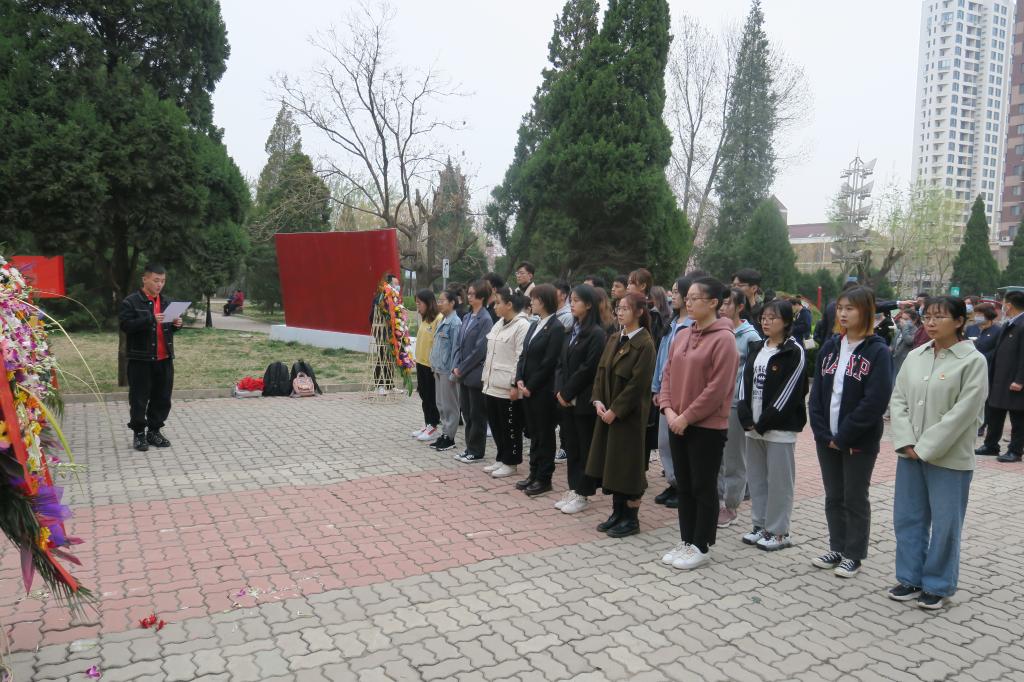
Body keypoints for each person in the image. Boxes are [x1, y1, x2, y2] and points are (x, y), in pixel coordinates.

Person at [889, 296, 987, 609]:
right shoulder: (915, 356)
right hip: (909, 453)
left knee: (945, 525)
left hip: (949, 459)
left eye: (939, 317)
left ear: (959, 321)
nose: (930, 322)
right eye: (927, 316)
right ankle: (909, 578)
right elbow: (898, 400)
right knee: (908, 518)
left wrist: (926, 447)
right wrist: (906, 441)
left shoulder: (972, 361)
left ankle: (938, 584)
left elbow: (965, 412)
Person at [808, 286, 894, 578]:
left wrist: (843, 436)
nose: (843, 314)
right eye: (840, 308)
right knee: (834, 496)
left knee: (854, 497)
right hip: (827, 438)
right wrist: (823, 433)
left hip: (858, 440)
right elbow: (817, 394)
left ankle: (854, 554)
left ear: (866, 311)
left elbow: (875, 401)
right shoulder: (831, 346)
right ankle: (837, 546)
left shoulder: (878, 351)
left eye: (850, 308)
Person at [658, 277, 739, 570]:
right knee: (684, 485)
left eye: (695, 298)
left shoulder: (724, 339)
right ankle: (686, 539)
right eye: (687, 298)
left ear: (714, 303)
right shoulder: (682, 335)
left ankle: (701, 545)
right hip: (676, 421)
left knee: (703, 486)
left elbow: (717, 389)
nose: (688, 302)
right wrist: (668, 409)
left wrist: (686, 416)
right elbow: (667, 374)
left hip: (706, 427)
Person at [736, 299, 807, 552]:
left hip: (779, 429)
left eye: (772, 318)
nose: (766, 322)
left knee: (779, 482)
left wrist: (763, 422)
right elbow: (745, 383)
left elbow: (790, 392)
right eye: (763, 317)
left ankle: (778, 531)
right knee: (757, 479)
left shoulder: (794, 351)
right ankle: (760, 524)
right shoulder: (757, 347)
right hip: (753, 427)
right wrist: (746, 417)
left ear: (786, 321)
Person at [588, 292, 657, 537]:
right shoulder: (615, 337)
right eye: (618, 308)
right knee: (613, 464)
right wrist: (598, 400)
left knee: (628, 467)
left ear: (639, 312)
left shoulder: (645, 344)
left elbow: (638, 385)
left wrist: (616, 410)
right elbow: (600, 372)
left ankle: (631, 518)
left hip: (629, 417)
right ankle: (617, 513)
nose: (620, 312)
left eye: (626, 308)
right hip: (606, 413)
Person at [119, 263, 184, 452]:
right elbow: (126, 326)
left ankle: (154, 432)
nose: (159, 285)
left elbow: (167, 328)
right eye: (156, 280)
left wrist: (176, 324)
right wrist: (150, 319)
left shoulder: (166, 302)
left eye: (163, 281)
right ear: (145, 279)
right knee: (139, 399)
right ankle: (139, 433)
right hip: (141, 359)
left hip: (164, 358)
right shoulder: (131, 302)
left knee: (162, 398)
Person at [553, 284, 607, 514]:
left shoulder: (597, 334)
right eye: (571, 300)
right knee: (572, 447)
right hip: (566, 400)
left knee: (585, 449)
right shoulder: (571, 330)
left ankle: (583, 493)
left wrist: (567, 392)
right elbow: (560, 364)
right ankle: (574, 488)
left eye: (576, 300)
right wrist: (559, 391)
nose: (572, 304)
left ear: (589, 305)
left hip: (583, 400)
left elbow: (589, 368)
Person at [514, 284, 566, 495]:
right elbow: (524, 354)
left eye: (534, 299)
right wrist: (519, 378)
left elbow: (549, 362)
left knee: (544, 434)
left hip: (542, 391)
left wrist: (531, 385)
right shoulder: (535, 324)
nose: (531, 302)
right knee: (534, 434)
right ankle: (533, 473)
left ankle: (544, 478)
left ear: (543, 301)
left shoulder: (556, 327)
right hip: (527, 388)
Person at [716, 288, 761, 528]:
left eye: (727, 304)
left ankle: (731, 505)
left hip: (735, 404)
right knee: (717, 456)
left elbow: (753, 375)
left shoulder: (750, 337)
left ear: (740, 307)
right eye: (720, 304)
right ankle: (717, 500)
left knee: (734, 458)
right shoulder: (717, 331)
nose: (722, 308)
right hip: (714, 403)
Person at [651, 275, 696, 510]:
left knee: (680, 442)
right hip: (665, 392)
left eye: (677, 291)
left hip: (682, 394)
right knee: (664, 442)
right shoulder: (672, 323)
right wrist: (656, 387)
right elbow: (662, 357)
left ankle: (683, 485)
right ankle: (673, 481)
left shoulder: (693, 326)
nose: (673, 295)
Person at [481, 288, 531, 479]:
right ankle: (501, 457)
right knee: (496, 424)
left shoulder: (522, 325)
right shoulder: (499, 323)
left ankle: (511, 462)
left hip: (507, 386)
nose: (494, 306)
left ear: (509, 305)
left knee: (510, 426)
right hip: (492, 383)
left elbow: (520, 357)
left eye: (498, 303)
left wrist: (513, 384)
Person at [975, 290, 1024, 462]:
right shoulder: (1009, 323)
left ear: (1008, 305)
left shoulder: (1022, 324)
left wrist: (1020, 380)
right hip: (999, 378)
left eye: (1003, 303)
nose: (1002, 307)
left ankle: (1015, 451)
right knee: (994, 412)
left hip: (1014, 380)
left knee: (1017, 416)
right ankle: (991, 445)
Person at [452, 280, 494, 462]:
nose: (468, 296)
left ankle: (477, 451)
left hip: (475, 373)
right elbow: (459, 344)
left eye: (472, 294)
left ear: (481, 297)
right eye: (468, 293)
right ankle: (469, 446)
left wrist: (461, 368)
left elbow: (479, 350)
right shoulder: (468, 316)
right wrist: (456, 365)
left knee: (477, 414)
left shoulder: (485, 319)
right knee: (467, 412)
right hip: (463, 373)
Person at [428, 290, 462, 452]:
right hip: (439, 368)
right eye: (438, 300)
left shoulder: (455, 323)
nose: (439, 303)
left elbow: (457, 349)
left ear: (452, 303)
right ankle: (445, 434)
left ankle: (450, 437)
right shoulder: (443, 319)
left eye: (442, 301)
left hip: (448, 370)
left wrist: (453, 371)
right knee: (441, 404)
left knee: (450, 406)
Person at [411, 290, 443, 442]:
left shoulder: (439, 319)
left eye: (419, 303)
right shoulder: (425, 319)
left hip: (431, 365)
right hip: (421, 363)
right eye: (416, 303)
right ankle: (427, 423)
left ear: (428, 303)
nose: (418, 306)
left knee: (431, 396)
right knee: (424, 395)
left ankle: (433, 426)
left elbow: (439, 344)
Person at [731, 268, 771, 336]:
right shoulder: (728, 311)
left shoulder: (761, 314)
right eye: (733, 285)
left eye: (740, 286)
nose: (735, 289)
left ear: (754, 288)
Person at [890, 308, 920, 376]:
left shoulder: (917, 332)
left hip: (905, 364)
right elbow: (893, 345)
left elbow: (908, 341)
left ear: (914, 321)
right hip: (895, 362)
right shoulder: (899, 330)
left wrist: (905, 327)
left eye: (906, 319)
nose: (902, 321)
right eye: (902, 318)